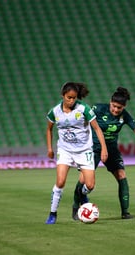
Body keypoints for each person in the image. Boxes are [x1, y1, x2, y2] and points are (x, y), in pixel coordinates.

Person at [72, 86, 135, 220]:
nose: (116, 110)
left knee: (121, 175)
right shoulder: (98, 109)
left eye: (119, 108)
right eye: (114, 106)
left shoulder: (125, 116)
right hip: (93, 149)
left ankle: (125, 212)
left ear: (124, 107)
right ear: (110, 102)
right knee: (85, 181)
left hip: (112, 151)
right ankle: (76, 206)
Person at [45, 82, 108, 224]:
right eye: (69, 98)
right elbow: (49, 129)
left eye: (74, 98)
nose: (72, 101)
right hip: (65, 150)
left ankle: (82, 195)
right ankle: (52, 214)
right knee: (60, 182)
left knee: (90, 185)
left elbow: (97, 129)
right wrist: (49, 148)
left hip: (84, 150)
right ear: (63, 96)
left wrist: (104, 148)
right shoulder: (55, 111)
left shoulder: (84, 109)